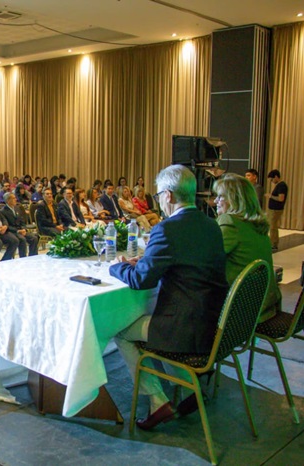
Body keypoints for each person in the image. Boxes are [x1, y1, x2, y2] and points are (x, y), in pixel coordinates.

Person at [109, 165, 228, 430]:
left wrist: (118, 266)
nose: (160, 200)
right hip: (212, 323)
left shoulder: (167, 229)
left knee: (121, 331)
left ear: (169, 195)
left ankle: (157, 401)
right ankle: (190, 388)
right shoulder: (211, 225)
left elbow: (141, 280)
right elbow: (186, 262)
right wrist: (147, 261)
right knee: (148, 318)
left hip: (184, 327)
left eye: (159, 194)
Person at [214, 174, 281, 322]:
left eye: (220, 197)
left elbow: (205, 258)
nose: (215, 201)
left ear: (234, 199)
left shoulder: (229, 221)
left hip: (241, 316)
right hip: (266, 307)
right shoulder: (258, 225)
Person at [0, 192, 39, 258]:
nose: (16, 199)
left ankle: (32, 257)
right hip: (12, 232)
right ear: (8, 200)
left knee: (34, 238)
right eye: (13, 198)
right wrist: (18, 231)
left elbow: (22, 221)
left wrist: (24, 229)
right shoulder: (3, 211)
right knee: (22, 239)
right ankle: (23, 258)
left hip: (21, 230)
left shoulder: (17, 208)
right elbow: (6, 226)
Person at [265, 169, 287, 251]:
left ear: (276, 177)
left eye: (272, 179)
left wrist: (270, 196)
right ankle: (273, 242)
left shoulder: (281, 186)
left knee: (272, 227)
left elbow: (281, 198)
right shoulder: (280, 185)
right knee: (273, 226)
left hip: (276, 209)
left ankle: (273, 243)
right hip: (273, 209)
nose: (272, 181)